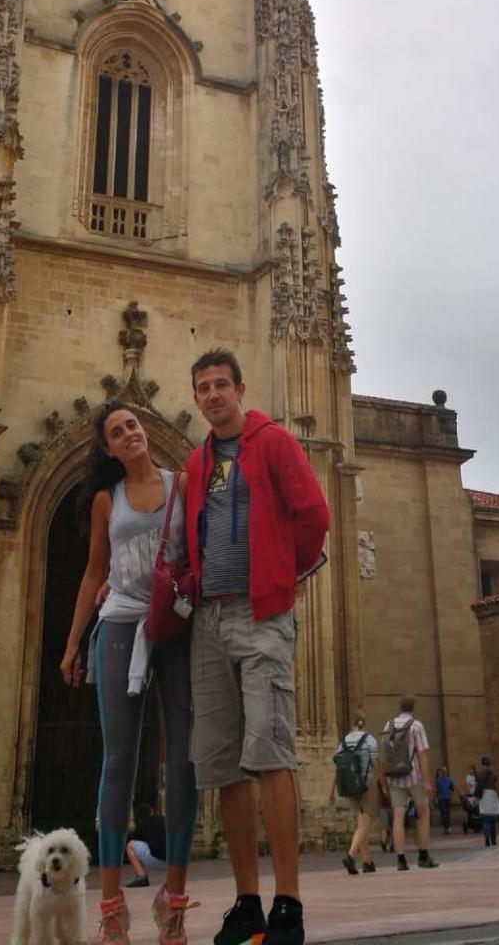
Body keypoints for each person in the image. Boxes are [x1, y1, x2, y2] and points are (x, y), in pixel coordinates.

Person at [183, 350, 330, 945]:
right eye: (203, 388)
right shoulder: (197, 461)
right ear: (196, 398)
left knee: (271, 752)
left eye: (221, 385)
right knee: (223, 766)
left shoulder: (272, 443)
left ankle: (287, 903)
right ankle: (247, 901)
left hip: (260, 613)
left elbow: (314, 514)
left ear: (240, 388)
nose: (213, 394)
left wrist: (277, 573)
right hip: (209, 620)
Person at [60, 401, 197, 945]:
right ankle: (112, 905)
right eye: (118, 432)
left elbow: (204, 550)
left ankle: (176, 900)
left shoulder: (181, 484)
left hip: (174, 627)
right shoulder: (104, 499)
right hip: (117, 628)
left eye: (133, 425)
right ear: (110, 448)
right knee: (118, 760)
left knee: (184, 759)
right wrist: (72, 643)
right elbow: (95, 568)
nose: (130, 434)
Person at [379, 696, 439, 870]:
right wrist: (427, 781)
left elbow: (384, 751)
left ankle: (401, 859)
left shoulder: (388, 725)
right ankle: (423, 855)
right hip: (413, 775)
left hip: (394, 776)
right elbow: (422, 754)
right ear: (413, 707)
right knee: (423, 813)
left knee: (398, 816)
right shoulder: (416, 725)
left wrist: (384, 779)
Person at [334, 715, 379, 875]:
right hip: (366, 784)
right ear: (363, 725)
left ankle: (367, 862)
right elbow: (376, 763)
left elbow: (338, 766)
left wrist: (331, 790)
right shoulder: (370, 740)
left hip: (349, 785)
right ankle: (351, 856)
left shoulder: (344, 742)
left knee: (360, 823)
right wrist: (384, 784)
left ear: (352, 725)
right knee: (364, 824)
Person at [125, 804, 168, 887]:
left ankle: (142, 876)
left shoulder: (144, 824)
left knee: (130, 845)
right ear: (152, 812)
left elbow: (133, 838)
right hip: (174, 861)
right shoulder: (164, 820)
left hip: (157, 859)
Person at [476, 757, 499, 847]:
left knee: (485, 818)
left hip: (483, 795)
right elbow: (496, 783)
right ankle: (494, 839)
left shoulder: (479, 774)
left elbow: (477, 785)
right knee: (492, 819)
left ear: (482, 764)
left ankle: (487, 839)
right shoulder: (492, 774)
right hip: (492, 794)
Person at [433, 766, 455, 834]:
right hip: (441, 798)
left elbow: (452, 788)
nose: (445, 772)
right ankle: (446, 827)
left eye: (446, 770)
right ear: (442, 772)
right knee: (444, 812)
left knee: (447, 812)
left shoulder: (449, 779)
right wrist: (436, 797)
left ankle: (448, 827)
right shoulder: (438, 780)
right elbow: (436, 790)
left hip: (447, 798)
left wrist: (451, 790)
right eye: (443, 771)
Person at [461, 765, 479, 833]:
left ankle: (477, 823)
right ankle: (471, 823)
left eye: (472, 770)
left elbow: (478, 784)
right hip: (471, 794)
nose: (471, 771)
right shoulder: (468, 777)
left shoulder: (477, 777)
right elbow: (468, 786)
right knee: (470, 809)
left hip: (476, 794)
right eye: (470, 770)